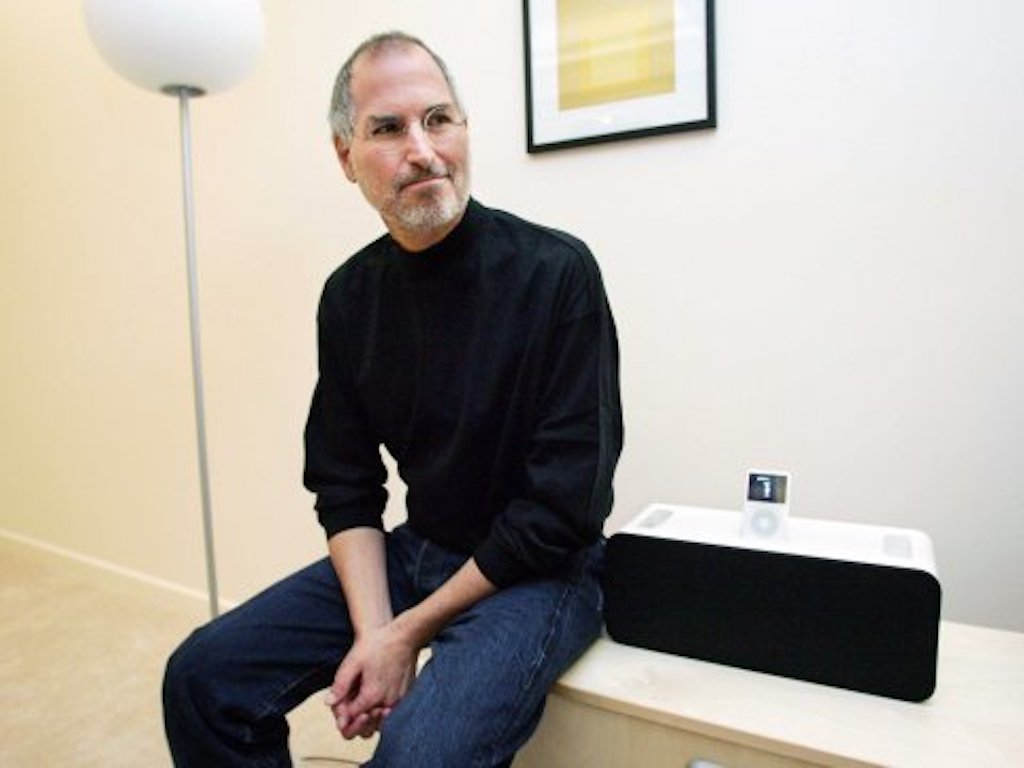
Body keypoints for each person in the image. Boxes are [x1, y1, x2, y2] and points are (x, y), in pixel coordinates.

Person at [162, 30, 623, 768]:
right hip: (421, 549)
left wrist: (403, 636)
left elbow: (564, 508)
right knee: (202, 677)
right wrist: (378, 632)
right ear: (345, 155)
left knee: (416, 755)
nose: (423, 150)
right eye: (388, 128)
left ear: (465, 130)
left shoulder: (557, 273)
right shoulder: (349, 297)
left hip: (542, 573)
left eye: (439, 120)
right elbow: (344, 481)